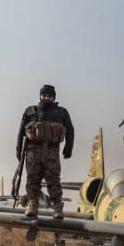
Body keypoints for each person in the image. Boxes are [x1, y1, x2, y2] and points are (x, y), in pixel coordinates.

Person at [15, 84, 74, 219]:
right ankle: (32, 205)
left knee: (53, 180)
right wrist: (18, 149)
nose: (46, 98)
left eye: (49, 96)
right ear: (40, 95)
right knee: (32, 180)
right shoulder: (30, 111)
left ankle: (57, 207)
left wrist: (68, 148)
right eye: (44, 95)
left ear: (54, 97)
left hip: (52, 152)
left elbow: (70, 130)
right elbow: (21, 131)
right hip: (32, 152)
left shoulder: (61, 112)